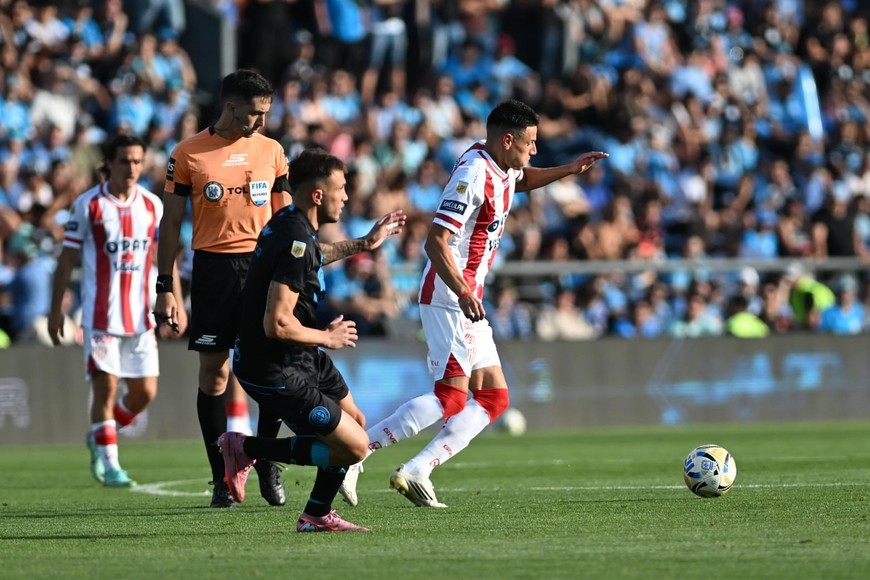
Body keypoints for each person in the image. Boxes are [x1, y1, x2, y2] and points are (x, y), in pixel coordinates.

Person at [339, 100, 608, 508]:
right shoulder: (472, 174)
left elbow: (520, 180)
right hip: (451, 296)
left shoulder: (502, 167)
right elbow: (435, 240)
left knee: (494, 398)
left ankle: (418, 469)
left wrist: (568, 169)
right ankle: (355, 453)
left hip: (469, 298)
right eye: (530, 143)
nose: (534, 151)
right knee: (450, 396)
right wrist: (464, 291)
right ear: (506, 140)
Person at [218, 149, 405, 532]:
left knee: (355, 421)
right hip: (272, 364)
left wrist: (365, 244)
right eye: (341, 188)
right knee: (352, 447)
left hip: (297, 354)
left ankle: (317, 514)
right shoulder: (294, 238)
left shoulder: (290, 223)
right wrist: (328, 337)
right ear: (318, 195)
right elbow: (277, 324)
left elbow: (315, 256)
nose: (347, 196)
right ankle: (245, 448)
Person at [153, 69, 291, 508]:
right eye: (254, 113)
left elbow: (288, 221)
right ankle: (222, 478)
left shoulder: (272, 151)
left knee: (275, 371)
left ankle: (268, 461)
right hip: (213, 270)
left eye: (266, 113)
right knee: (214, 374)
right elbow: (170, 224)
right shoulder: (188, 154)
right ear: (230, 107)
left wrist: (293, 276)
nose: (261, 122)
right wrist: (165, 287)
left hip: (263, 266)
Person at [47, 134, 187, 487]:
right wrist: (56, 311)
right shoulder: (88, 205)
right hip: (101, 317)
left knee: (144, 394)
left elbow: (165, 259)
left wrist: (176, 301)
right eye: (125, 160)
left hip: (142, 316)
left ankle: (99, 435)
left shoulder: (153, 205)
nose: (132, 168)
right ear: (109, 162)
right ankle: (110, 464)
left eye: (138, 161)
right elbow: (65, 261)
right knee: (106, 388)